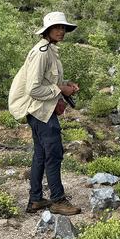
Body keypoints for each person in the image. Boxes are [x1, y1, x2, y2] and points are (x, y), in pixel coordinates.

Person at [8, 11, 81, 215]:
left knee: (41, 154)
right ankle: (58, 199)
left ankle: (36, 199)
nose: (61, 31)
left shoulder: (49, 50)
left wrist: (66, 85)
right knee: (54, 154)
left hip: (41, 111)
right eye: (57, 27)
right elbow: (34, 89)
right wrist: (60, 90)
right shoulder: (41, 52)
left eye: (63, 28)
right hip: (40, 111)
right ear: (47, 30)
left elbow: (48, 82)